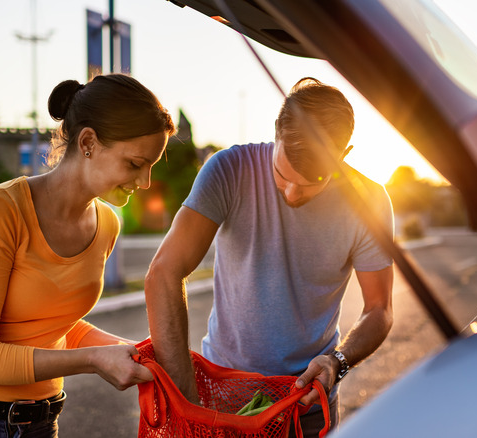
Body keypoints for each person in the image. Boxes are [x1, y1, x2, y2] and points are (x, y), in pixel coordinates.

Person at [0, 73, 176, 437]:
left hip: (38, 424)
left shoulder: (106, 224)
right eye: (135, 164)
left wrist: (135, 351)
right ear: (88, 141)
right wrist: (93, 360)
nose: (146, 181)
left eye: (151, 165)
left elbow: (54, 324)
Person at [144, 77, 394, 437]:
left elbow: (379, 308)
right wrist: (186, 396)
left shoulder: (369, 202)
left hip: (305, 400)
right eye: (282, 176)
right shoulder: (228, 169)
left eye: (311, 183)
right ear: (276, 129)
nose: (292, 194)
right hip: (222, 394)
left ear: (345, 153)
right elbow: (163, 272)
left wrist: (337, 362)